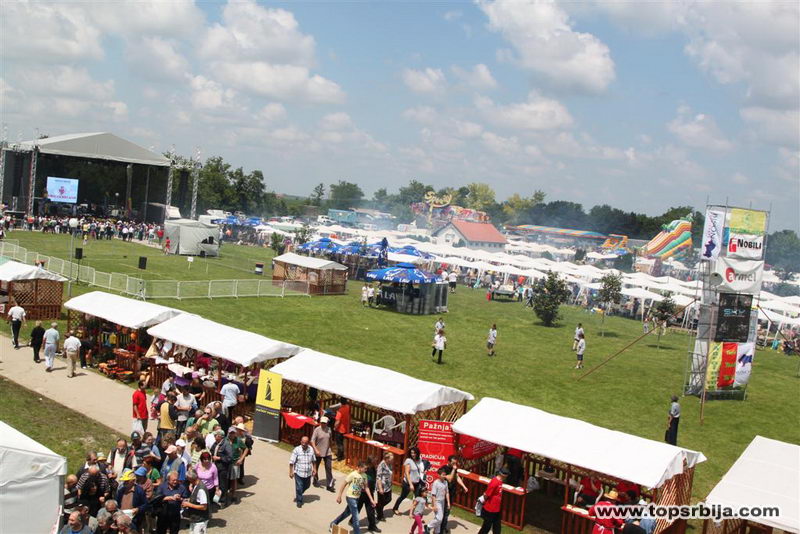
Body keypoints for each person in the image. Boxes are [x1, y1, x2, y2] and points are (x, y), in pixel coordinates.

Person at [330, 460, 374, 534]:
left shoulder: (364, 476)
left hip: (357, 498)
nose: (366, 470)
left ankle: (333, 523)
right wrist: (339, 496)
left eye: (366, 469)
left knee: (347, 513)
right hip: (350, 497)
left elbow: (366, 488)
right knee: (356, 516)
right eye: (365, 468)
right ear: (359, 467)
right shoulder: (353, 474)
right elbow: (344, 484)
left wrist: (371, 499)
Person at [440, 455, 468, 532]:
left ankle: (443, 526)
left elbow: (457, 477)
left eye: (455, 463)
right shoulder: (443, 469)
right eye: (453, 463)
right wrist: (453, 469)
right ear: (448, 462)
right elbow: (449, 479)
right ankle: (440, 528)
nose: (454, 465)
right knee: (444, 512)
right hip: (444, 494)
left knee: (447, 511)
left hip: (451, 493)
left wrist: (464, 486)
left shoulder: (454, 468)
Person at [392, 447, 424, 514]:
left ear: (417, 453)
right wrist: (410, 484)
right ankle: (395, 508)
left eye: (414, 453)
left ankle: (415, 511)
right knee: (403, 496)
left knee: (417, 497)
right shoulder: (408, 460)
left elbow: (420, 469)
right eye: (411, 453)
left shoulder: (419, 460)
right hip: (408, 483)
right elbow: (407, 473)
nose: (413, 454)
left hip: (417, 482)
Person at [477, 468, 508, 534]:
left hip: (497, 509)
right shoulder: (494, 482)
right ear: (503, 475)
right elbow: (487, 494)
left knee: (497, 526)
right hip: (490, 509)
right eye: (506, 475)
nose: (507, 476)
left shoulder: (500, 481)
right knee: (486, 527)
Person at [289, 436, 317, 508]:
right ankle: (299, 501)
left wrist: (314, 469)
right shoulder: (297, 450)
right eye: (303, 443)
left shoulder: (311, 449)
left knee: (307, 485)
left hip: (308, 473)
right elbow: (291, 462)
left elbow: (314, 460)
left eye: (305, 443)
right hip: (298, 472)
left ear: (308, 443)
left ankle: (299, 493)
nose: (304, 444)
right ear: (301, 442)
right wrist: (291, 472)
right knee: (299, 487)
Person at [182, 469, 210, 534]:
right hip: (195, 519)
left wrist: (189, 504)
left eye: (187, 479)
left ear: (190, 479)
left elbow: (204, 507)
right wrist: (189, 500)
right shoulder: (196, 485)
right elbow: (197, 499)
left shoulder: (201, 489)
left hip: (200, 520)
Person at [356, 456, 380, 533]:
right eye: (375, 462)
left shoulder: (373, 469)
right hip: (363, 492)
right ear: (371, 462)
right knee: (359, 507)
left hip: (369, 492)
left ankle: (372, 526)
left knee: (370, 510)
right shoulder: (366, 470)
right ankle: (352, 520)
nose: (376, 464)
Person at [312, 416, 335, 491]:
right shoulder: (317, 430)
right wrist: (316, 450)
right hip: (318, 452)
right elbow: (312, 441)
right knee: (316, 467)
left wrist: (331, 448)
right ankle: (315, 479)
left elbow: (330, 439)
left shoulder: (329, 429)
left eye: (324, 423)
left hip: (327, 452)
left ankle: (329, 485)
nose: (323, 424)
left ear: (327, 423)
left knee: (328, 468)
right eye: (322, 423)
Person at [209, 430, 232, 506]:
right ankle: (215, 499)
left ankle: (223, 501)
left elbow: (229, 458)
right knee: (215, 484)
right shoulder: (216, 443)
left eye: (215, 435)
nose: (214, 437)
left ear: (220, 436)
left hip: (222, 468)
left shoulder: (226, 445)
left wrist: (219, 458)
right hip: (214, 467)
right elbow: (211, 450)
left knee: (222, 485)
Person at [429, 466, 450, 534]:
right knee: (439, 518)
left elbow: (447, 493)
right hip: (437, 502)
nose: (444, 476)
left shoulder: (445, 482)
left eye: (445, 475)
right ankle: (428, 527)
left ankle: (436, 532)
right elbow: (433, 495)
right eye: (443, 475)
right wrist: (434, 505)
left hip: (442, 502)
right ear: (439, 475)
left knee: (439, 518)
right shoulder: (436, 483)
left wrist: (448, 503)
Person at [375, 452, 394, 522]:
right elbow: (378, 477)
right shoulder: (381, 465)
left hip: (388, 485)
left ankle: (377, 507)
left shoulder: (390, 464)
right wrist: (380, 488)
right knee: (381, 501)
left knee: (389, 499)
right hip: (382, 486)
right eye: (391, 459)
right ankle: (380, 516)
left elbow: (390, 473)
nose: (392, 461)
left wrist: (391, 481)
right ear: (386, 459)